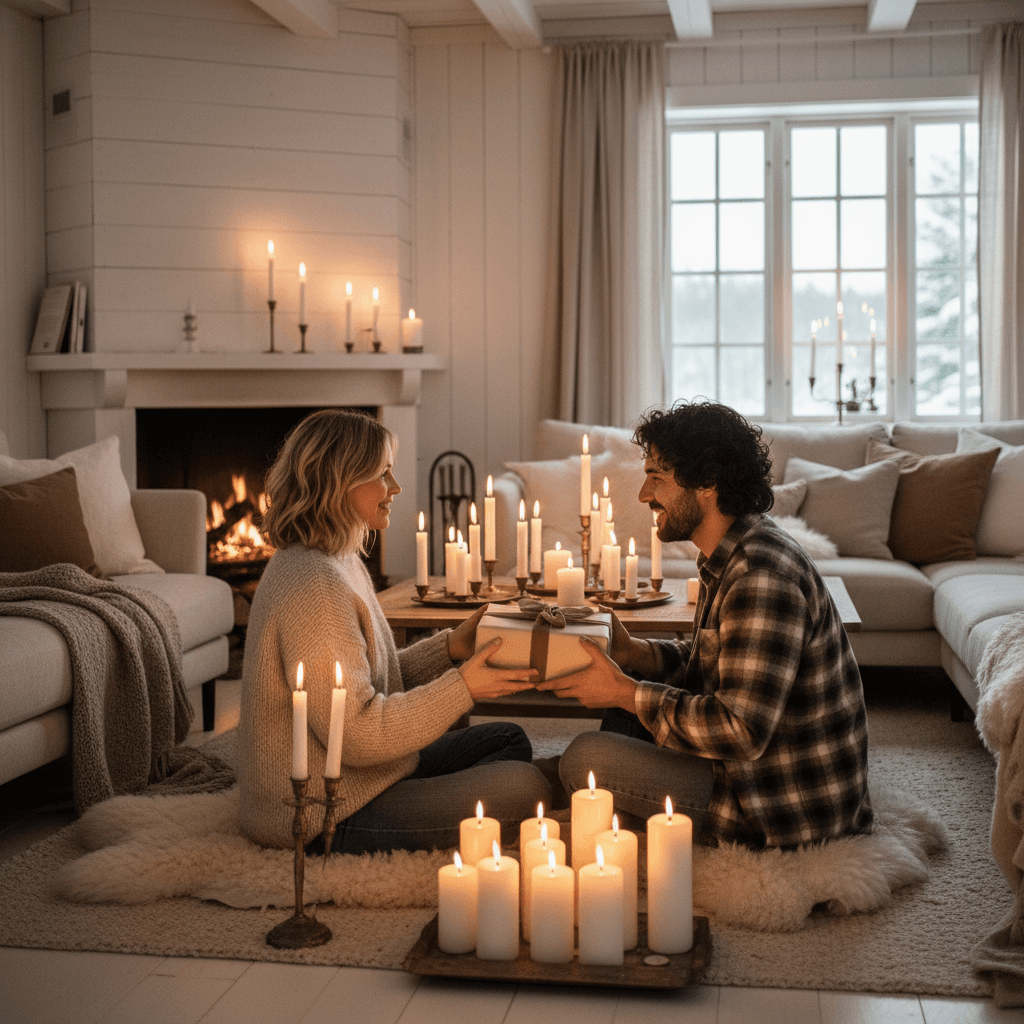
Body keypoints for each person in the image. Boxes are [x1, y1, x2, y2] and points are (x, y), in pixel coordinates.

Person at [537, 399, 873, 850]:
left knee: (586, 757)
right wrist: (637, 654)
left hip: (774, 805)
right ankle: (578, 796)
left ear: (707, 483)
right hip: (752, 773)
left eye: (656, 478)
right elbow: (717, 666)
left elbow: (740, 729)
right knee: (628, 699)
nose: (643, 495)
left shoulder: (761, 575)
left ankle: (572, 794)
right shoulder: (732, 552)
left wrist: (624, 691)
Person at [238, 409, 549, 854]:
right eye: (382, 474)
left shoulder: (336, 558)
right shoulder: (315, 586)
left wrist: (452, 646)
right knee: (524, 788)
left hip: (366, 774)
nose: (396, 488)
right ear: (338, 481)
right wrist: (464, 686)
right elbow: (359, 735)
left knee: (508, 739)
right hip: (323, 809)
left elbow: (364, 681)